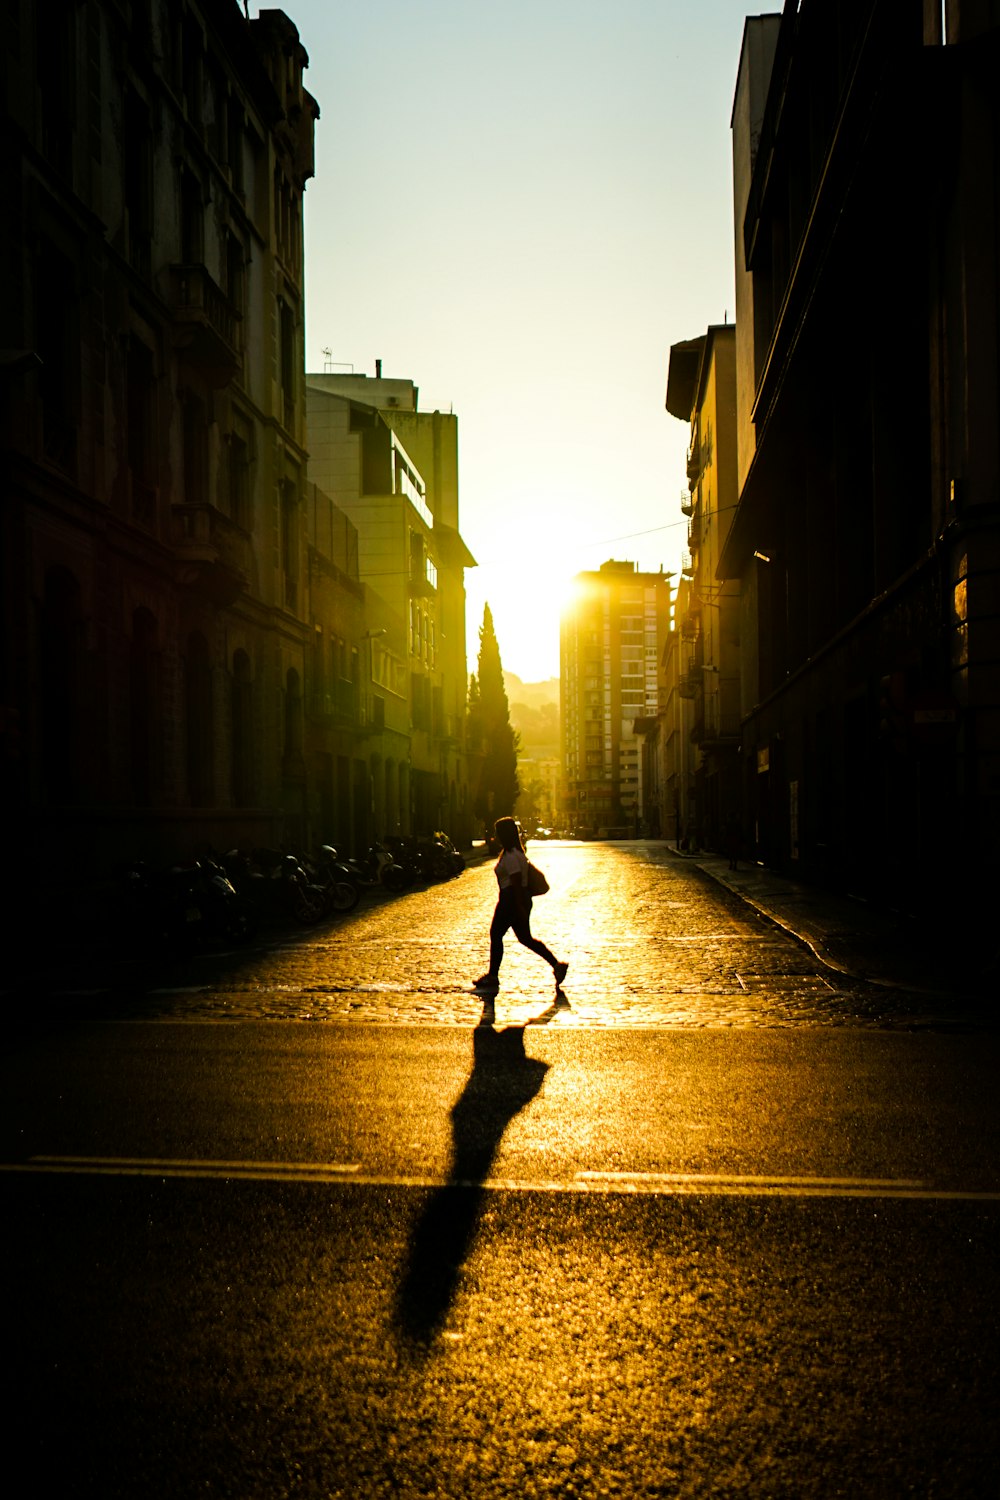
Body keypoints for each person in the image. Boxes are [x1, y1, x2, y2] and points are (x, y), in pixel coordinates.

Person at [474, 816, 568, 992]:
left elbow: (516, 882)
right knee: (525, 939)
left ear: (504, 835)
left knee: (496, 934)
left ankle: (493, 976)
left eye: (498, 832)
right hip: (519, 899)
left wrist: (518, 906)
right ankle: (557, 965)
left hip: (510, 899)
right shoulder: (518, 854)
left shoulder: (511, 856)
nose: (496, 835)